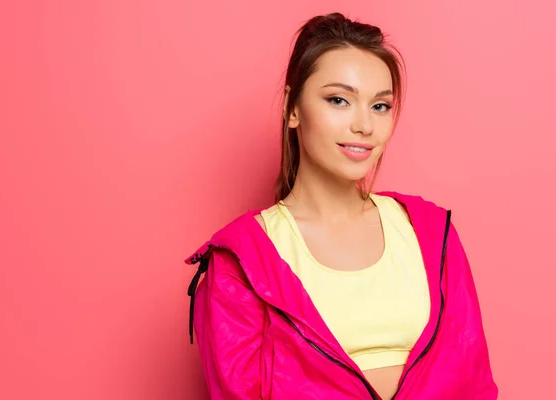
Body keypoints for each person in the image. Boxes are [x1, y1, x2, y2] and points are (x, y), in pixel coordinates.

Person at [185, 12, 497, 400]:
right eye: (339, 100)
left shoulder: (431, 233)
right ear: (292, 108)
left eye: (380, 106)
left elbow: (474, 381)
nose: (364, 125)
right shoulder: (242, 260)